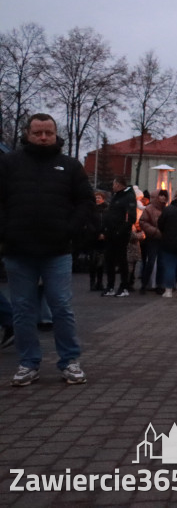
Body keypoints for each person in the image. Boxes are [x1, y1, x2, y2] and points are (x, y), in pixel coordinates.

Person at [0, 113, 94, 386]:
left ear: (55, 134)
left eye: (48, 133)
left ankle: (70, 361)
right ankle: (28, 363)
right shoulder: (9, 164)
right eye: (37, 133)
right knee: (22, 310)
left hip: (57, 250)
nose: (43, 137)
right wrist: (6, 231)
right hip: (18, 250)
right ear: (27, 134)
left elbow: (86, 201)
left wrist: (70, 229)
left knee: (61, 306)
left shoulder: (70, 166)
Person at [101, 176, 138, 297]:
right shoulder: (116, 196)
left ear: (119, 184)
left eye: (114, 184)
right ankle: (110, 286)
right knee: (109, 259)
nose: (112, 187)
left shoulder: (128, 197)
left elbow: (131, 217)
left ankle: (124, 286)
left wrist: (121, 230)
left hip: (120, 234)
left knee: (121, 260)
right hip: (110, 232)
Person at [138, 189, 168, 292]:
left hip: (163, 239)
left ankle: (160, 285)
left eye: (164, 196)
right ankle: (144, 284)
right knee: (150, 262)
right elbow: (143, 222)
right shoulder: (149, 208)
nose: (163, 197)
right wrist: (155, 231)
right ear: (156, 197)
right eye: (161, 195)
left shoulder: (166, 209)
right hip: (152, 239)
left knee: (161, 262)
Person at [87, 191, 107, 291]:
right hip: (93, 238)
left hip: (104, 239)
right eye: (96, 197)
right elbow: (88, 223)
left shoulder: (106, 210)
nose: (97, 199)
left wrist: (104, 234)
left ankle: (100, 282)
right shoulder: (91, 209)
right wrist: (96, 234)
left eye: (99, 197)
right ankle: (92, 282)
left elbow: (108, 222)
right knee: (93, 261)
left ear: (103, 199)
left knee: (101, 262)